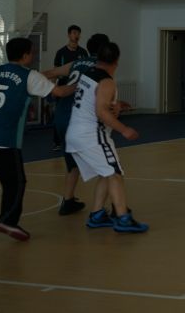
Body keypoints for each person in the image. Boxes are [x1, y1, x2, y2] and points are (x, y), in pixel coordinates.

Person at [0, 38, 75, 240]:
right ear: (25, 55)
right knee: (15, 182)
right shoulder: (29, 75)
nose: (33, 55)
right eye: (31, 52)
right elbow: (59, 92)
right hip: (4, 138)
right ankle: (7, 220)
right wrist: (78, 84)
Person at [65, 42, 149, 233]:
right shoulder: (106, 82)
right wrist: (124, 129)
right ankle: (123, 218)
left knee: (105, 172)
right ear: (117, 60)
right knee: (114, 173)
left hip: (75, 132)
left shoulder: (88, 73)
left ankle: (97, 215)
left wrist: (117, 104)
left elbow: (94, 101)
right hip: (92, 135)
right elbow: (101, 111)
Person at [49, 33, 110, 215]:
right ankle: (114, 208)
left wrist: (46, 92)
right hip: (79, 120)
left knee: (72, 162)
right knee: (108, 166)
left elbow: (50, 73)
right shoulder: (100, 67)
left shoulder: (76, 63)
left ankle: (68, 200)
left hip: (61, 116)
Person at [51, 25, 90, 150]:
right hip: (63, 88)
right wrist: (53, 88)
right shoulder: (61, 53)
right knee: (60, 114)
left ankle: (77, 139)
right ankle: (57, 142)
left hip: (78, 89)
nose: (76, 35)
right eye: (74, 33)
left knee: (77, 114)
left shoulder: (83, 52)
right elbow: (55, 71)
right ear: (68, 35)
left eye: (78, 33)